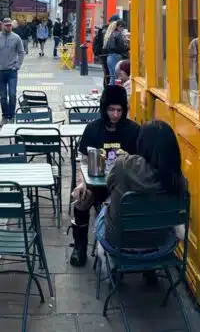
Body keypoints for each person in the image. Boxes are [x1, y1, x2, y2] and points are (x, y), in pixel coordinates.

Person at [69, 85, 140, 267]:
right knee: (80, 198)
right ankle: (80, 246)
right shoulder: (93, 129)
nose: (115, 115)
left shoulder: (133, 130)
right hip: (95, 184)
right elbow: (83, 161)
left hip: (122, 187)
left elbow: (141, 162)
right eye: (111, 110)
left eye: (119, 110)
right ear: (104, 109)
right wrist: (81, 183)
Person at [94, 120, 186, 254]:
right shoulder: (177, 178)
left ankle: (102, 258)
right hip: (160, 246)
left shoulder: (124, 165)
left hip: (119, 244)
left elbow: (110, 184)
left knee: (104, 207)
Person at [0, 18, 25, 127]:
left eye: (10, 25)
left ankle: (12, 116)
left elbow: (21, 52)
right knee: (3, 96)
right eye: (6, 25)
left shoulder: (16, 38)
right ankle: (5, 116)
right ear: (2, 25)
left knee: (12, 94)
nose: (8, 27)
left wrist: (17, 66)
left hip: (12, 71)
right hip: (0, 71)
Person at [103, 19, 128, 85]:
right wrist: (127, 46)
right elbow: (121, 47)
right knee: (116, 78)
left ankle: (110, 91)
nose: (123, 29)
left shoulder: (110, 33)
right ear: (119, 26)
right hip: (116, 56)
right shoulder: (118, 34)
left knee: (112, 78)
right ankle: (114, 91)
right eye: (122, 27)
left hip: (110, 57)